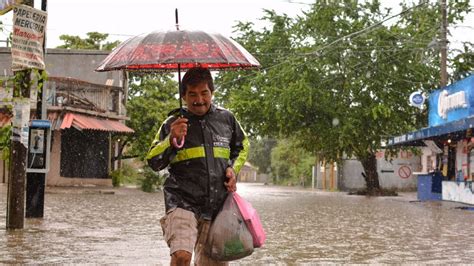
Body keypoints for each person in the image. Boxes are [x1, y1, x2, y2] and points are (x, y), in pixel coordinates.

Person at [146, 67, 249, 266]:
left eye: (204, 93)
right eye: (192, 94)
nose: (199, 99)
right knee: (182, 256)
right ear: (183, 96)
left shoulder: (227, 119)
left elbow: (243, 146)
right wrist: (172, 138)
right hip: (181, 201)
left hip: (217, 206)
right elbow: (153, 161)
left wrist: (232, 170)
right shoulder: (172, 123)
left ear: (212, 92)